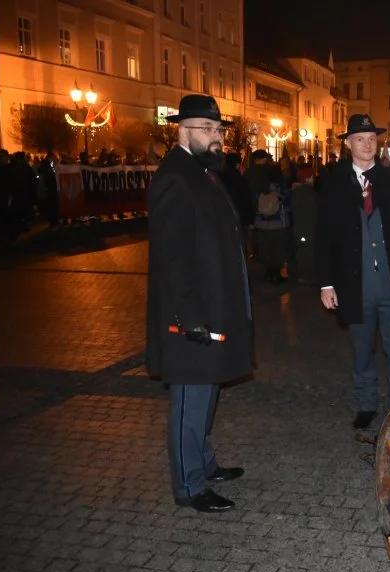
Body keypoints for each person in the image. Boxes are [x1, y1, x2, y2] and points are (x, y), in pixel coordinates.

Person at [146, 94, 253, 513]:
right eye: (207, 130)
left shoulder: (203, 173)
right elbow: (172, 255)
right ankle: (189, 487)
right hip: (189, 315)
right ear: (182, 130)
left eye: (219, 130)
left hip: (212, 308)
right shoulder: (175, 176)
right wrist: (188, 314)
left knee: (207, 395)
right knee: (191, 401)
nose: (216, 137)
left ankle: (204, 464)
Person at [316, 114, 390, 430]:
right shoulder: (334, 183)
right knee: (361, 349)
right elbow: (323, 236)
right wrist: (326, 282)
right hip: (355, 283)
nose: (367, 144)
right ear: (348, 143)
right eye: (360, 139)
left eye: (371, 139)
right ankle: (366, 403)